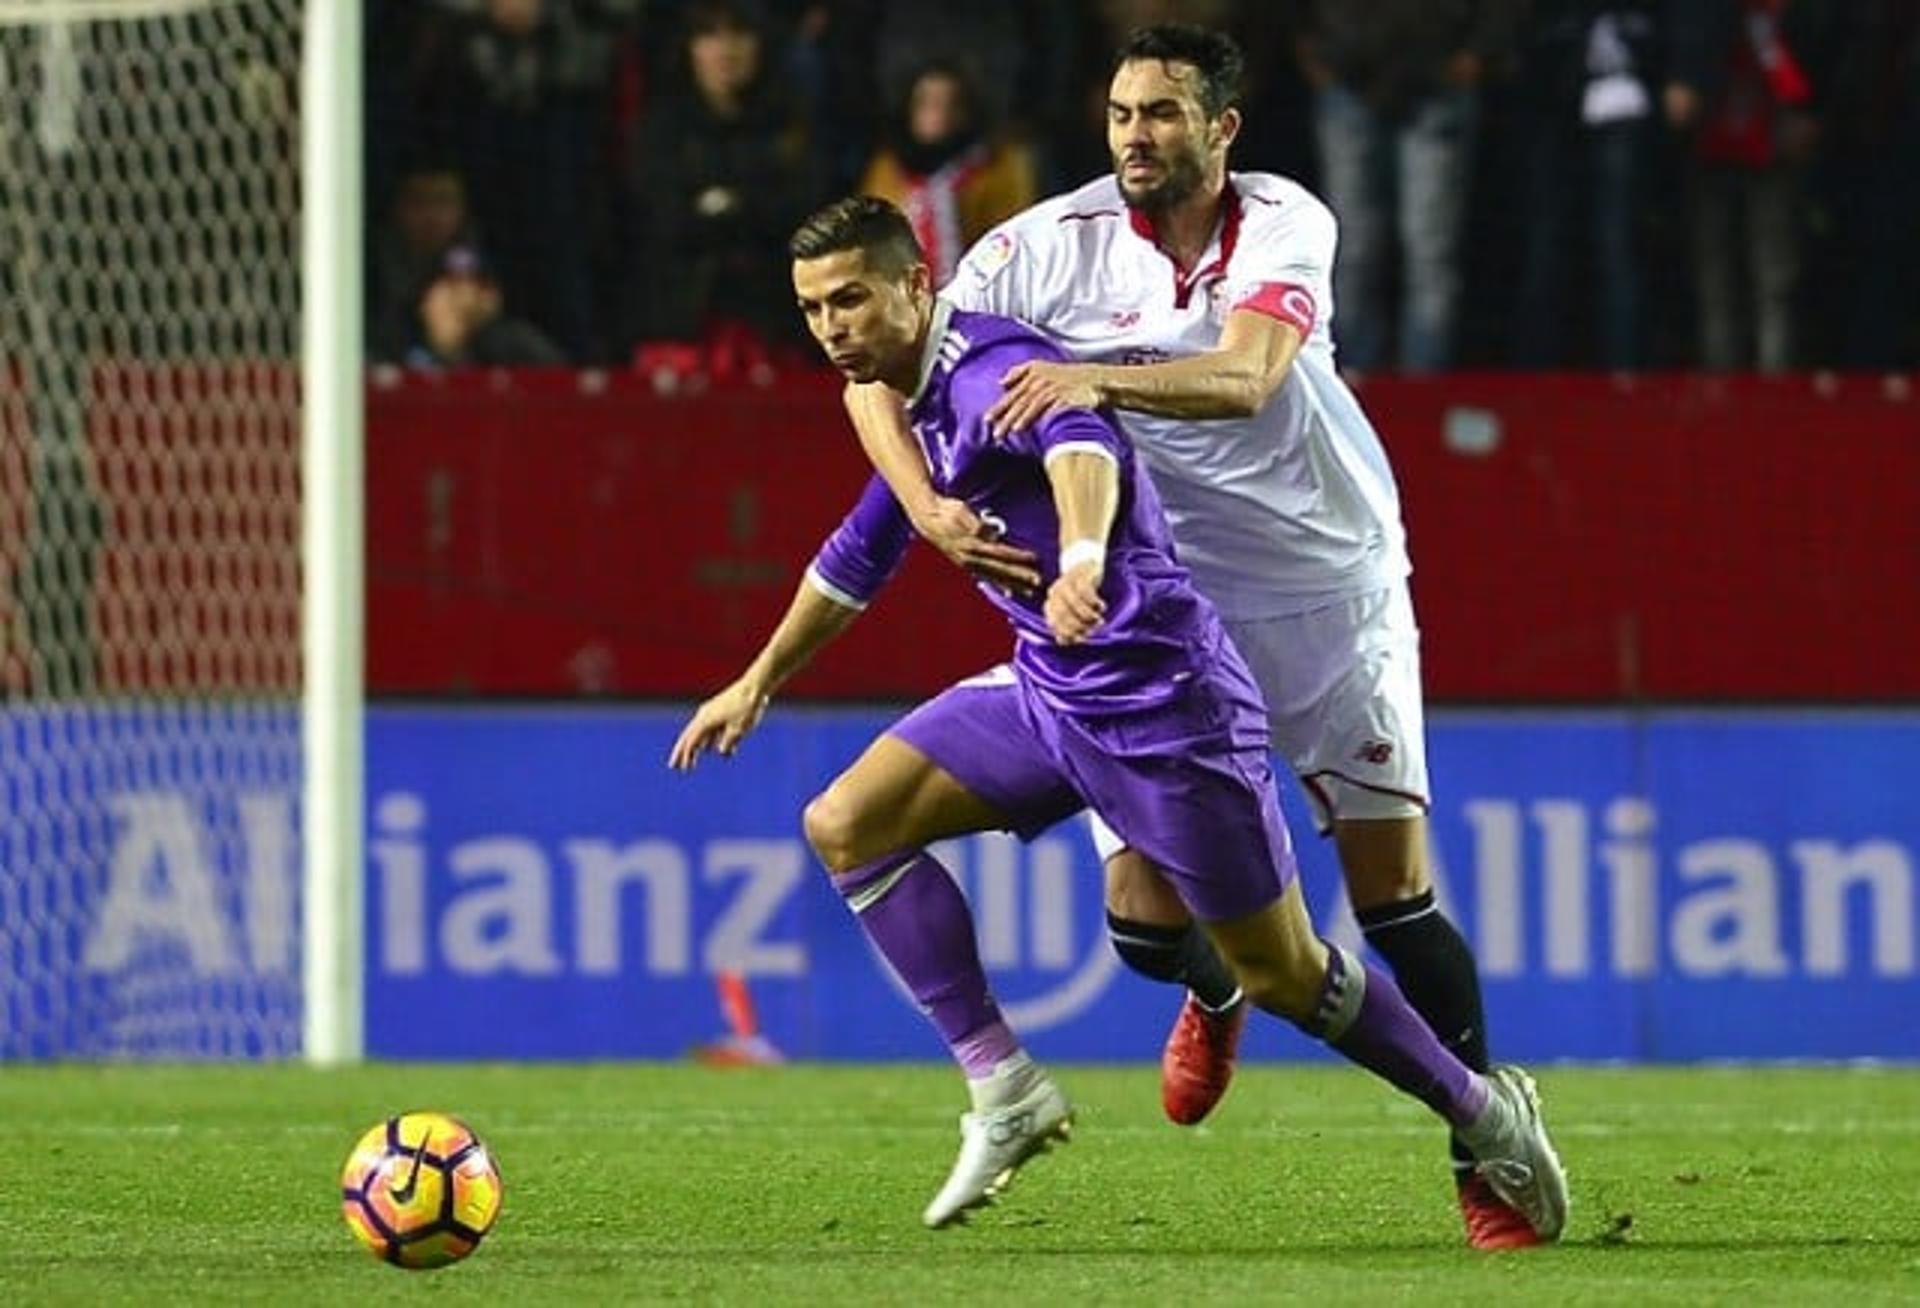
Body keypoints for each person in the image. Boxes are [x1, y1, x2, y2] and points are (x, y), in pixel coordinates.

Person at [670, 194, 1568, 1239]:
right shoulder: (903, 393)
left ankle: (1484, 1109)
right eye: (815, 308)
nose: (831, 328)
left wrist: (1086, 559)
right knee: (847, 825)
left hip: (1166, 706)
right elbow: (860, 550)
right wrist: (760, 679)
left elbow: (1080, 443)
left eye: (851, 300)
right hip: (1052, 692)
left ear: (918, 286)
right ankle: (1005, 1089)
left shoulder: (989, 372)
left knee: (1281, 971)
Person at [842, 24, 1537, 1249]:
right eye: (1119, 113)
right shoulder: (1041, 250)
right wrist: (925, 507)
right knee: (1144, 928)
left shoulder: (1283, 222)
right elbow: (880, 357)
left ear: (1222, 129)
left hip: (1330, 588)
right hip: (1169, 616)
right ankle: (1217, 989)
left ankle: (1484, 1142)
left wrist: (1094, 382)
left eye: (1162, 113)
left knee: (1392, 901)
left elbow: (1248, 377)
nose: (1134, 136)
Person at [856, 59, 1038, 283]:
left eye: (949, 103)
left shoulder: (995, 165)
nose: (938, 114)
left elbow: (1013, 239)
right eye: (926, 103)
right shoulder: (887, 168)